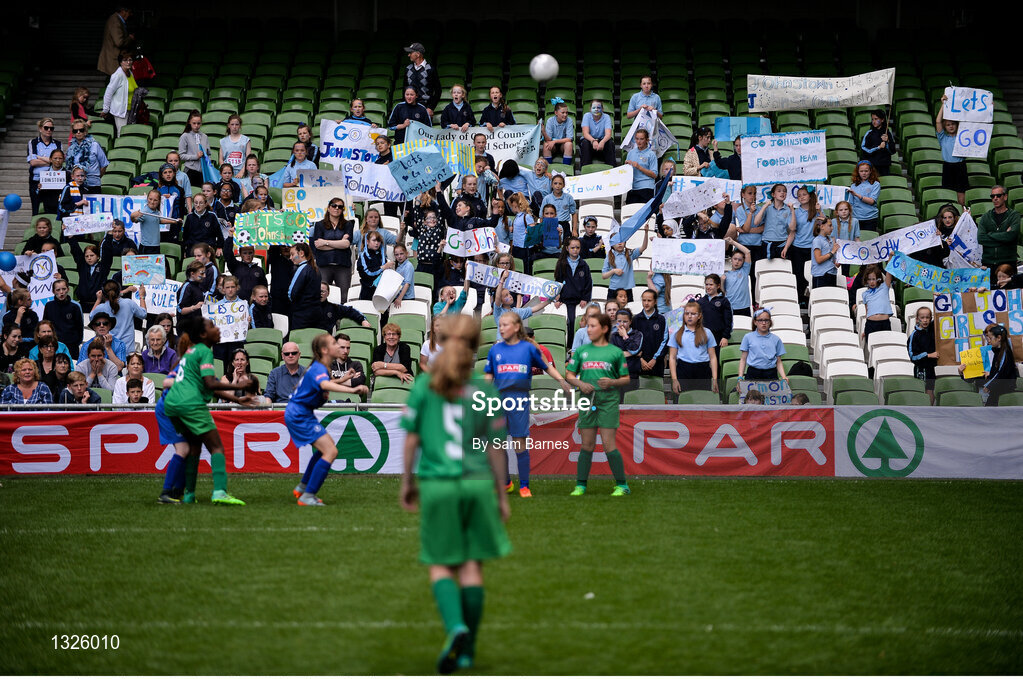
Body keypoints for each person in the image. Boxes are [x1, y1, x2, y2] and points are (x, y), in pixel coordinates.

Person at [399, 314, 510, 674]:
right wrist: (502, 494)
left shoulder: (423, 385)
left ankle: (455, 627)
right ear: (477, 348)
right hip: (477, 484)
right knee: (472, 566)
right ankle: (467, 652)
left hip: (438, 484)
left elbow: (412, 438)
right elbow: (496, 446)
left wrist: (406, 482)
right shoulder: (485, 389)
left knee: (441, 564)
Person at [162, 316, 254, 505]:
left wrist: (236, 399)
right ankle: (219, 492)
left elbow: (206, 386)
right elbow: (210, 383)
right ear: (204, 334)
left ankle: (189, 495)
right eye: (213, 326)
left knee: (194, 447)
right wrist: (240, 387)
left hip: (172, 404)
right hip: (190, 404)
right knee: (216, 447)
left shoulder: (190, 352)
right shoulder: (204, 351)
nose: (218, 329)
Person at [484, 310, 569, 497]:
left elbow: (547, 367)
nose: (501, 328)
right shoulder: (495, 350)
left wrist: (561, 380)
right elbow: (488, 375)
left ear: (516, 327)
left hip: (519, 399)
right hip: (497, 400)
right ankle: (505, 483)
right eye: (500, 325)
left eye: (505, 325)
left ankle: (524, 486)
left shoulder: (529, 349)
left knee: (519, 443)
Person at [565, 313, 631, 496]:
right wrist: (581, 384)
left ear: (604, 329)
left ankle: (622, 485)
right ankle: (580, 485)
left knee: (609, 444)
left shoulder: (615, 352)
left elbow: (626, 379)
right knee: (586, 444)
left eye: (593, 326)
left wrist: (612, 383)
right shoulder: (581, 351)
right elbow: (569, 375)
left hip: (608, 401)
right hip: (587, 401)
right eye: (588, 326)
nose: (589, 329)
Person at [668, 301, 719, 395]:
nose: (689, 316)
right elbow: (672, 357)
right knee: (683, 402)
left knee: (701, 401)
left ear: (699, 316)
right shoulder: (677, 333)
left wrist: (715, 378)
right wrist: (674, 380)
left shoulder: (707, 332)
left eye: (693, 314)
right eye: (687, 313)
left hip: (703, 371)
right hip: (683, 370)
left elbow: (713, 357)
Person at [311, 196, 356, 298]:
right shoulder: (319, 225)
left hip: (342, 265)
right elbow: (318, 245)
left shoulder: (348, 224)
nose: (337, 208)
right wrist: (339, 243)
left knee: (344, 296)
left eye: (340, 207)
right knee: (321, 295)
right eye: (334, 206)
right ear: (329, 207)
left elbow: (346, 244)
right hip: (324, 265)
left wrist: (325, 242)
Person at [91, 280, 146, 351]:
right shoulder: (129, 303)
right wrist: (142, 297)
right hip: (127, 349)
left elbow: (91, 317)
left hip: (108, 350)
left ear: (103, 294)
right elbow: (143, 314)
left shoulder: (101, 307)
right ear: (119, 291)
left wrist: (98, 300)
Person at [977, 187, 1020, 277]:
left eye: (998, 195)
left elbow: (1011, 236)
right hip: (988, 263)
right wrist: (1004, 238)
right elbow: (981, 238)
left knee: (1009, 290)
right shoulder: (985, 217)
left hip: (1008, 263)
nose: (995, 198)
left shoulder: (1014, 215)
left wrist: (990, 234)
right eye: (992, 196)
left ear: (1005, 197)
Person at [738, 308, 788, 381]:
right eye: (760, 320)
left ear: (770, 322)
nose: (764, 323)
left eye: (766, 320)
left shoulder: (776, 339)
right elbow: (743, 359)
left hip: (771, 374)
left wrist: (783, 376)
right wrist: (740, 376)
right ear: (755, 322)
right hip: (753, 373)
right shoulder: (748, 337)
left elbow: (778, 361)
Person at [554, 238, 592, 332]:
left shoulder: (584, 265)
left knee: (578, 322)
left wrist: (585, 298)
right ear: (567, 248)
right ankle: (569, 345)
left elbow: (588, 283)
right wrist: (557, 297)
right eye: (572, 248)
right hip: (566, 299)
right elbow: (558, 281)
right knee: (570, 321)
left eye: (577, 248)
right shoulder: (561, 263)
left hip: (580, 299)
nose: (575, 250)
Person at [936, 94, 968, 206]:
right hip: (948, 167)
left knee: (961, 200)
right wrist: (943, 104)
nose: (951, 126)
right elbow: (938, 122)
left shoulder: (962, 137)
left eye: (953, 124)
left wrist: (989, 109)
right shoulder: (943, 138)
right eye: (948, 124)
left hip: (960, 167)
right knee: (948, 199)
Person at [130, 188, 182, 255]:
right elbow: (134, 220)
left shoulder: (156, 211)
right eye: (150, 199)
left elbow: (158, 220)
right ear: (147, 199)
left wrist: (174, 221)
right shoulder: (144, 212)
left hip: (156, 245)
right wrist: (133, 215)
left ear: (159, 201)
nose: (152, 202)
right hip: (147, 247)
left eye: (155, 200)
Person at [26, 118, 61, 215]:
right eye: (46, 128)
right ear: (40, 128)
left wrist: (40, 158)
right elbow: (33, 162)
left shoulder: (58, 144)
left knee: (52, 211)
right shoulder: (33, 143)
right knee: (36, 211)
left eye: (51, 128)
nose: (49, 130)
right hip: (36, 180)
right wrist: (52, 161)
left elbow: (59, 162)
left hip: (53, 180)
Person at [790, 186, 818, 303]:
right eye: (799, 195)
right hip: (797, 247)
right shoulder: (796, 211)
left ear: (810, 196)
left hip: (812, 248)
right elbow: (792, 229)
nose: (801, 197)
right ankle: (800, 299)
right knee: (799, 274)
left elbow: (825, 225)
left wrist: (820, 211)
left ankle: (812, 298)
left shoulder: (816, 211)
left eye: (804, 194)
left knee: (812, 274)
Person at [754, 184, 796, 260]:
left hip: (782, 244)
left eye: (784, 191)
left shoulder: (788, 209)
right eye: (779, 191)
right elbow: (756, 222)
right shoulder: (767, 207)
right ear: (773, 194)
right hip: (767, 243)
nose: (782, 193)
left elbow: (792, 228)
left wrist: (792, 210)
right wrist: (764, 206)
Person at [632, 289, 668, 379]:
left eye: (649, 300)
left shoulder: (661, 319)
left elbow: (665, 340)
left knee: (657, 390)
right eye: (644, 300)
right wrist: (640, 359)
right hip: (639, 363)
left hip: (656, 363)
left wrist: (655, 358)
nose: (646, 303)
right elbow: (631, 341)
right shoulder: (636, 319)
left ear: (655, 301)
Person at [980, 324, 1017, 406]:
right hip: (998, 389)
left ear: (999, 338)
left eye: (990, 338)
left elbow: (1001, 374)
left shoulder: (1005, 353)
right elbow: (994, 371)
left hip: (1004, 392)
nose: (988, 341)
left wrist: (989, 385)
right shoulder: (997, 351)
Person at [907, 306, 938, 405]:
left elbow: (941, 315)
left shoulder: (931, 330)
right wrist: (928, 355)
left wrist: (939, 298)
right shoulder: (914, 335)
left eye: (927, 317)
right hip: (920, 369)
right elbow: (912, 356)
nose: (925, 320)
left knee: (930, 390)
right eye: (922, 318)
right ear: (917, 319)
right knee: (921, 391)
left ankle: (930, 411)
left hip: (931, 369)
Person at [64, 123, 108, 192]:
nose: (78, 132)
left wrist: (95, 177)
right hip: (77, 185)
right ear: (73, 133)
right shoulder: (70, 149)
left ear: (85, 132)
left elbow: (104, 164)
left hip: (93, 184)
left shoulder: (95, 145)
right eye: (75, 131)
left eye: (81, 130)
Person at [288, 243, 322, 331]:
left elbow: (292, 293)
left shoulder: (302, 268)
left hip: (302, 314)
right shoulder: (316, 268)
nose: (290, 258)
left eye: (292, 254)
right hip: (316, 312)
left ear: (301, 253)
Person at [610, 309, 643, 394]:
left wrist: (625, 336)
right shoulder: (613, 336)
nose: (621, 324)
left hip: (631, 374)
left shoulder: (637, 335)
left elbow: (634, 349)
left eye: (625, 321)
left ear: (630, 322)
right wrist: (632, 354)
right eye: (619, 321)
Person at [403, 42, 441, 116]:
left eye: (411, 52)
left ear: (418, 54)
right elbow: (405, 89)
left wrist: (431, 108)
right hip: (410, 107)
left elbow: (438, 90)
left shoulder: (430, 69)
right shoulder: (408, 69)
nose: (408, 55)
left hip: (425, 107)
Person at [100, 52, 133, 136]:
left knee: (130, 133)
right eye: (125, 60)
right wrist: (105, 109)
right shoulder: (117, 75)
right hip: (121, 110)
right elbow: (108, 92)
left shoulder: (130, 73)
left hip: (130, 109)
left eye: (130, 60)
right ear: (120, 62)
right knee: (122, 133)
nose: (128, 62)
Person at [860, 263, 894, 342]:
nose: (871, 282)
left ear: (878, 279)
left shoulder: (884, 287)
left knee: (886, 347)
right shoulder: (865, 294)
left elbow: (889, 272)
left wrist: (890, 258)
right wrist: (865, 330)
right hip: (871, 324)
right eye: (869, 279)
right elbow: (867, 312)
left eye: (874, 279)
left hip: (884, 323)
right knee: (872, 349)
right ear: (866, 280)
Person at [698, 274, 732, 349]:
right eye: (706, 284)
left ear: (718, 286)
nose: (708, 287)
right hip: (703, 336)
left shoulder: (724, 301)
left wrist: (725, 337)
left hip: (718, 337)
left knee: (716, 359)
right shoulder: (701, 301)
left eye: (711, 284)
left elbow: (728, 321)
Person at [97, 6, 133, 75]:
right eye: (129, 12)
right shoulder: (115, 21)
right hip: (113, 59)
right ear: (123, 11)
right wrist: (130, 38)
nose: (130, 15)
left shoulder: (116, 20)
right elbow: (119, 42)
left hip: (113, 58)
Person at [625, 129, 658, 204]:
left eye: (641, 139)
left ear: (647, 140)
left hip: (646, 187)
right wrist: (626, 167)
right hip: (632, 188)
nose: (639, 141)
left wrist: (639, 167)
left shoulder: (651, 154)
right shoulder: (631, 153)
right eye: (637, 139)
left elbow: (654, 174)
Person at [177, 111, 209, 188]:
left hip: (202, 172)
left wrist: (207, 161)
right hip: (190, 171)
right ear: (189, 123)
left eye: (198, 123)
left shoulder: (205, 137)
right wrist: (195, 156)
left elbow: (208, 153)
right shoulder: (185, 136)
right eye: (194, 123)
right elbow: (181, 155)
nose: (196, 126)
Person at [541, 173, 578, 238]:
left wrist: (574, 229)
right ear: (552, 185)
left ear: (563, 185)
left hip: (565, 225)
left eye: (560, 183)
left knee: (565, 246)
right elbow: (541, 216)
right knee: (552, 246)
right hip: (550, 224)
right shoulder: (547, 198)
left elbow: (574, 213)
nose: (557, 186)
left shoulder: (569, 197)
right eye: (555, 183)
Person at [848, 160, 881, 232]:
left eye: (866, 171)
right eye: (861, 171)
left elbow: (871, 201)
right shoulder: (853, 185)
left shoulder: (875, 184)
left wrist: (857, 195)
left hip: (870, 218)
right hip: (856, 218)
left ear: (870, 171)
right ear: (858, 172)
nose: (864, 173)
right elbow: (851, 203)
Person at [861, 109, 896, 176]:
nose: (874, 121)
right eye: (872, 119)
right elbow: (864, 149)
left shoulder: (887, 133)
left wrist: (888, 142)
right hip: (872, 166)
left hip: (885, 166)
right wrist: (878, 147)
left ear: (882, 120)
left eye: (876, 119)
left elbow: (893, 151)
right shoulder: (869, 133)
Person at [723, 238, 752, 317]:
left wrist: (732, 242)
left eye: (740, 260)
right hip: (730, 307)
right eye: (735, 259)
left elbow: (747, 252)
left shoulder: (744, 271)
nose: (737, 262)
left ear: (743, 262)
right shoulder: (725, 274)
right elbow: (723, 291)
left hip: (744, 307)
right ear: (731, 260)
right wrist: (722, 281)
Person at [580, 100, 615, 167]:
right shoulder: (586, 116)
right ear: (590, 109)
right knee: (585, 142)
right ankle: (585, 169)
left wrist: (602, 142)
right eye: (594, 108)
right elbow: (585, 133)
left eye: (598, 108)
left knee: (610, 143)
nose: (596, 109)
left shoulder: (606, 117)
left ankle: (612, 168)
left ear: (602, 109)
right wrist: (593, 141)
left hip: (602, 142)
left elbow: (608, 134)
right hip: (590, 141)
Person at [543, 99, 574, 166]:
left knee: (569, 144)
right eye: (563, 113)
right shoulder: (550, 121)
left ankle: (566, 170)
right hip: (553, 146)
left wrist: (554, 141)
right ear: (556, 113)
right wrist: (543, 132)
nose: (565, 115)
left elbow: (569, 139)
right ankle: (548, 170)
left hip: (563, 145)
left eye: (566, 112)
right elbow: (548, 140)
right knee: (546, 145)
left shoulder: (569, 121)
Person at [832, 200, 859, 275]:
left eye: (846, 209)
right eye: (841, 210)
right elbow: (833, 240)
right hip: (837, 253)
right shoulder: (833, 222)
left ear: (849, 211)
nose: (843, 211)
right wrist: (835, 257)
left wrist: (860, 248)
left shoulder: (855, 221)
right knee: (838, 275)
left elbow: (857, 238)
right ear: (837, 212)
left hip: (850, 253)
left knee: (846, 273)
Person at [811, 215, 839, 288]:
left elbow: (835, 262)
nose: (832, 228)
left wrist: (840, 260)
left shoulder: (831, 240)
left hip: (832, 274)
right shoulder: (817, 240)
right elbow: (818, 259)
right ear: (822, 227)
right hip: (821, 275)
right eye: (830, 226)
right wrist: (832, 252)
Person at [35, 150, 67, 216]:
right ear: (50, 159)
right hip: (48, 208)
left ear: (63, 160)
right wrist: (39, 189)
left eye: (60, 158)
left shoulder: (68, 175)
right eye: (55, 158)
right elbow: (39, 195)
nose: (58, 160)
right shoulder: (44, 175)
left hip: (64, 208)